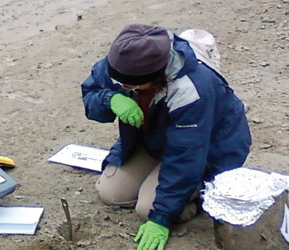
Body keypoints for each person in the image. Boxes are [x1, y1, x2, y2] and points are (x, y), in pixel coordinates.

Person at [81, 24, 251, 250]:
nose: (123, 86)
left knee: (148, 209)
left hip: (208, 150)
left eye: (129, 85)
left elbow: (185, 156)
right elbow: (91, 93)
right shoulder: (123, 61)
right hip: (156, 140)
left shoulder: (191, 89)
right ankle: (163, 182)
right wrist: (109, 99)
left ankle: (201, 196)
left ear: (155, 76)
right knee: (111, 193)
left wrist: (161, 218)